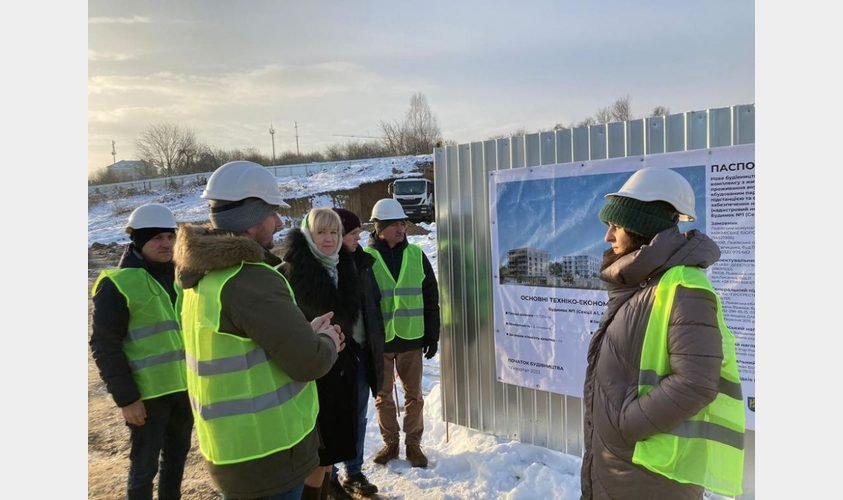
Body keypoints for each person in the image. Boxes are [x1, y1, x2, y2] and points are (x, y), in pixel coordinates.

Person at [173, 160, 345, 500]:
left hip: (231, 449)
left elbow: (244, 346)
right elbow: (309, 362)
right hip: (269, 455)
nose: (279, 222)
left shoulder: (204, 277)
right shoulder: (251, 279)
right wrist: (325, 340)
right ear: (250, 220)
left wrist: (302, 331)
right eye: (271, 213)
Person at [581, 167, 745, 500]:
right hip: (622, 464)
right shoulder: (642, 285)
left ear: (641, 229)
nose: (607, 237)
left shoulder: (683, 288)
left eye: (615, 226)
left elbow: (696, 382)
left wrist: (626, 425)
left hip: (651, 473)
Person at [278, 207, 384, 499]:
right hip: (310, 376)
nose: (328, 238)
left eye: (334, 232)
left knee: (329, 455)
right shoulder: (289, 273)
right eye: (320, 232)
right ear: (307, 234)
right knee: (316, 456)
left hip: (342, 370)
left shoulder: (345, 267)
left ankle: (333, 487)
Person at [90, 203, 193, 500]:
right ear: (138, 242)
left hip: (184, 389)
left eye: (170, 237)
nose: (166, 243)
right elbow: (104, 346)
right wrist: (127, 399)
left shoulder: (183, 278)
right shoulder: (118, 284)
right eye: (156, 238)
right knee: (144, 468)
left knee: (176, 461)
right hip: (146, 397)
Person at [365, 198, 440, 469]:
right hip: (380, 341)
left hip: (411, 337)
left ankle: (413, 444)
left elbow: (431, 297)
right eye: (395, 224)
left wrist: (432, 335)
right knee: (383, 396)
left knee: (414, 395)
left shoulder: (416, 255)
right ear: (380, 227)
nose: (401, 228)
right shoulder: (365, 259)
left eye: (403, 223)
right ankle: (391, 443)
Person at [331, 207, 385, 497]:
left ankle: (354, 471)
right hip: (336, 356)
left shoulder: (363, 264)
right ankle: (329, 474)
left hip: (362, 353)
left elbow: (374, 305)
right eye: (352, 233)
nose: (358, 237)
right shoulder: (326, 267)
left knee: (358, 415)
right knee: (331, 415)